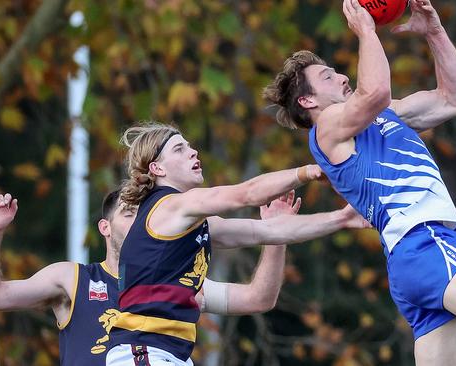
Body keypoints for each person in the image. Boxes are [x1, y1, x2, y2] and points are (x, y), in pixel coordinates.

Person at [262, 0, 456, 365]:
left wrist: (434, 31)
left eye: (336, 71)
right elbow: (375, 93)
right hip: (423, 242)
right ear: (308, 100)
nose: (342, 77)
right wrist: (366, 31)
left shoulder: (386, 115)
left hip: (412, 260)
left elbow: (455, 98)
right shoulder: (327, 129)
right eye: (327, 77)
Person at [106, 122, 369, 365]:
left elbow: (267, 232)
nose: (193, 151)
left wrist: (342, 219)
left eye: (189, 145)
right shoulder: (171, 205)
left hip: (165, 354)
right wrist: (308, 171)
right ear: (157, 169)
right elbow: (247, 193)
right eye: (179, 148)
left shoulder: (193, 223)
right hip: (143, 350)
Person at [0, 188, 308, 365]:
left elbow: (258, 298)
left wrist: (276, 234)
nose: (141, 223)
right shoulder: (72, 279)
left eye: (147, 215)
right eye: (130, 213)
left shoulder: (178, 284)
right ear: (105, 227)